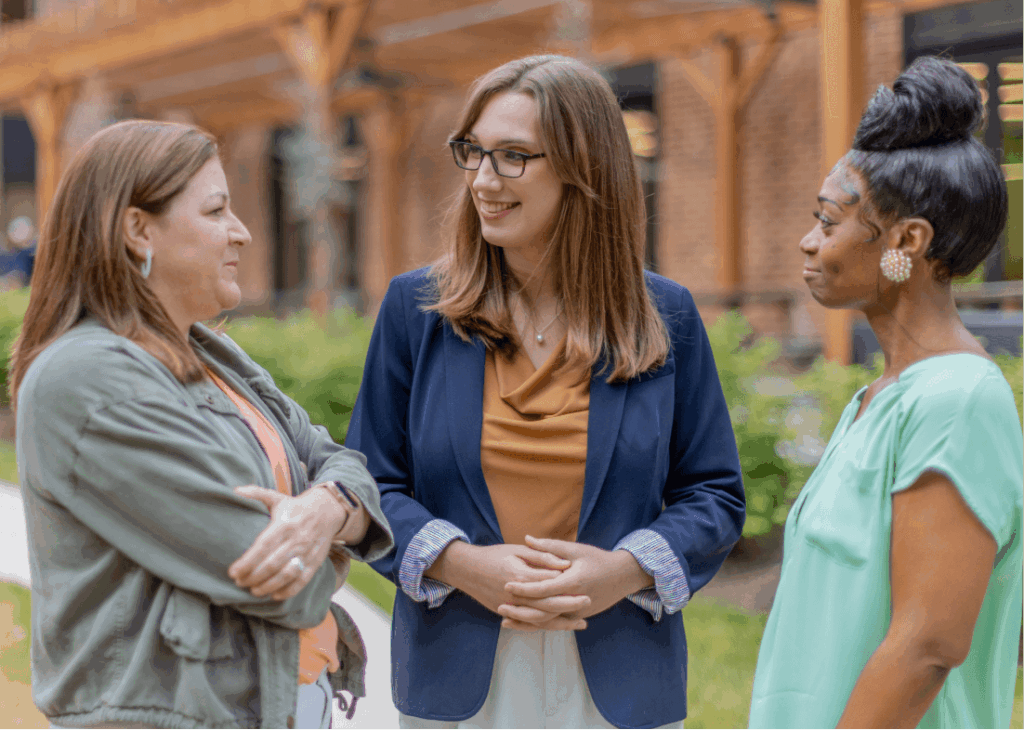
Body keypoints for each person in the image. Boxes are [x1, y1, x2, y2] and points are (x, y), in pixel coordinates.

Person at [345, 55, 746, 730]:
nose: (483, 179)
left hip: (620, 677)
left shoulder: (665, 315)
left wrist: (622, 571)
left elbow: (714, 494)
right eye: (473, 152)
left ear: (584, 169)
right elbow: (368, 483)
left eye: (513, 157)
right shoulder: (416, 310)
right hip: (456, 678)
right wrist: (462, 564)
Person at [10, 120, 394, 730]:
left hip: (283, 700)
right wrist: (340, 529)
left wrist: (325, 508)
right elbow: (284, 582)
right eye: (216, 211)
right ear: (138, 230)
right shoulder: (86, 377)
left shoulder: (212, 354)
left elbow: (341, 461)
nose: (241, 231)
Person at [749, 56, 1022, 729]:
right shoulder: (878, 397)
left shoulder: (956, 402)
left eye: (829, 222)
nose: (808, 243)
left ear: (907, 240)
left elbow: (928, 645)